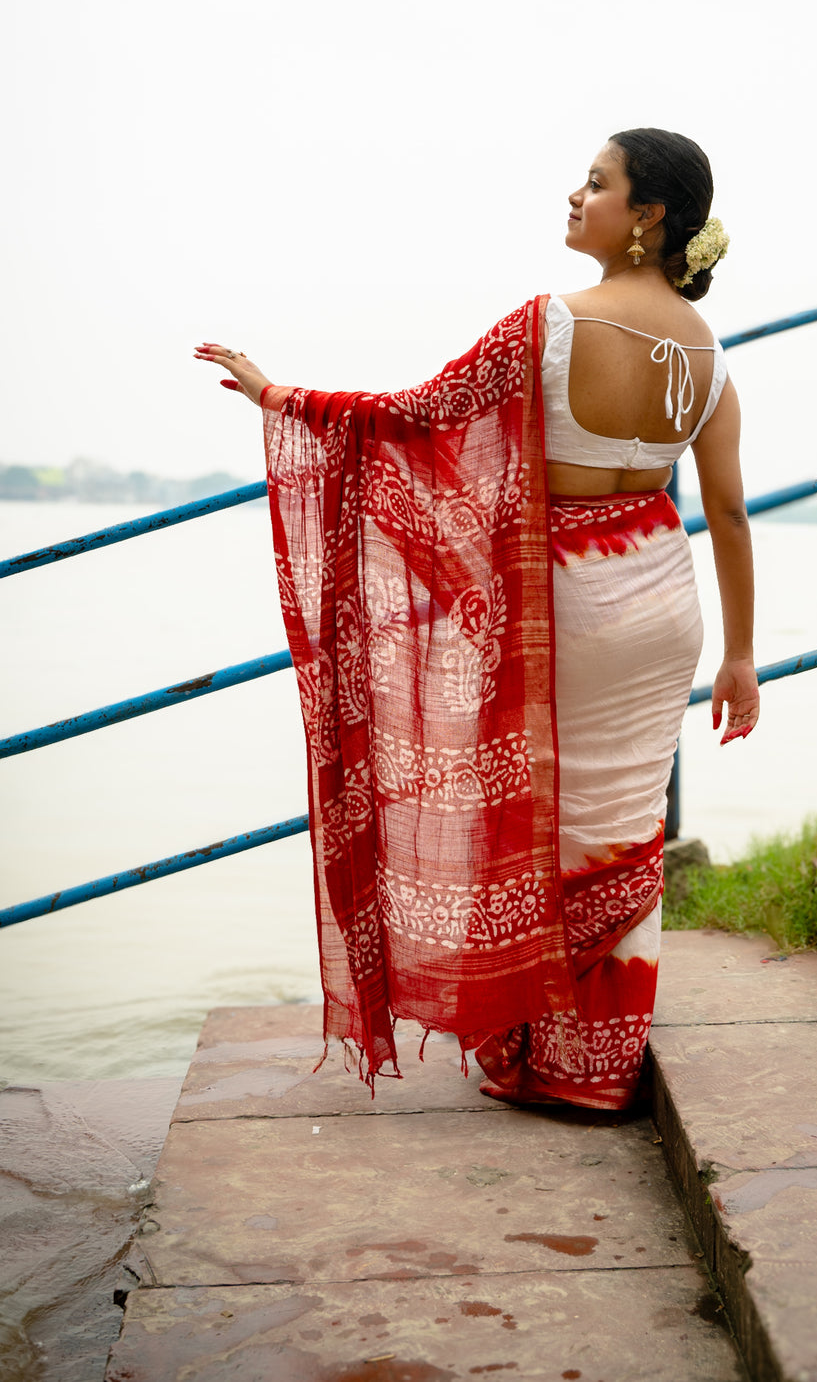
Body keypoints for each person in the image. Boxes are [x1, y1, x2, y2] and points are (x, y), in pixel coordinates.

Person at [195, 126, 758, 1111]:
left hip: (570, 601)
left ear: (648, 216)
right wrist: (742, 660)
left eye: (596, 183)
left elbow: (414, 420)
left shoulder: (548, 324)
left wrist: (280, 395)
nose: (574, 196)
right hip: (664, 596)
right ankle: (594, 1068)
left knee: (550, 830)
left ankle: (542, 1055)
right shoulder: (707, 355)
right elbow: (731, 512)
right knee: (619, 831)